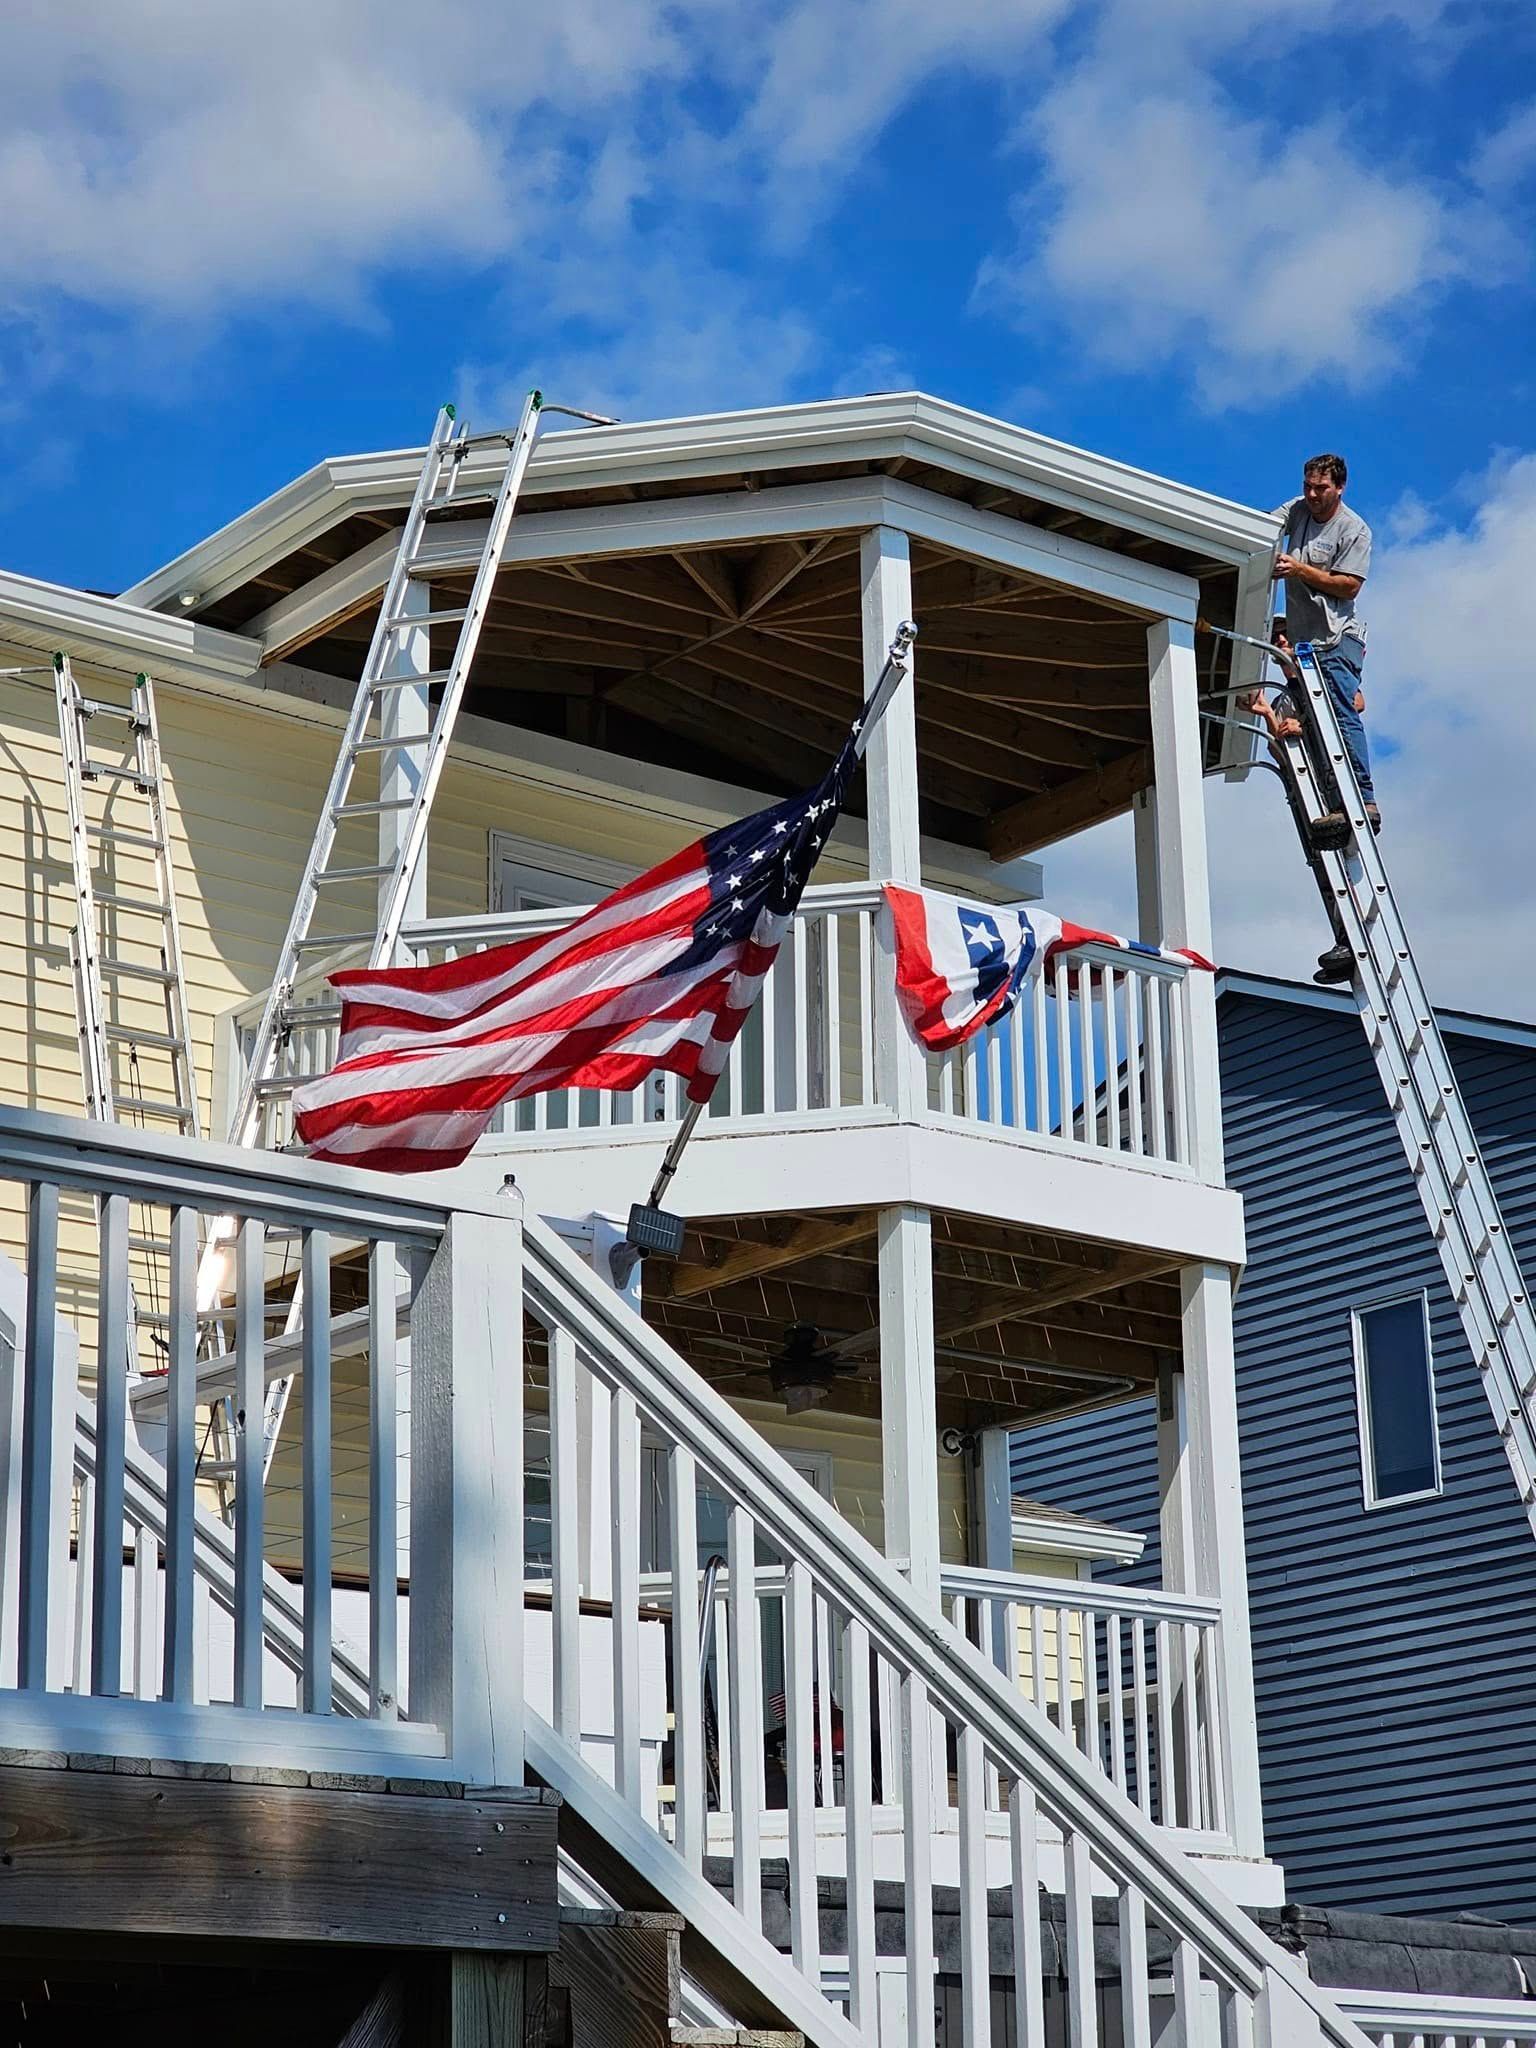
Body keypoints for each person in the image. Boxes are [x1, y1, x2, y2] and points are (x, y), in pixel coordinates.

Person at [1272, 454, 1376, 839]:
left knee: (1341, 714)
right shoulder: (1298, 511)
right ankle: (1338, 803)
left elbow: (1349, 585)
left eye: (1321, 488)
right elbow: (1265, 526)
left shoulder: (1353, 530)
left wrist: (1299, 570)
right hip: (1307, 644)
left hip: (1336, 638)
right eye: (1308, 486)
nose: (1312, 495)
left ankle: (1363, 800)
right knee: (1318, 723)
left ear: (1340, 487)